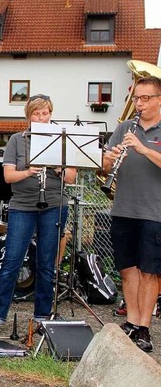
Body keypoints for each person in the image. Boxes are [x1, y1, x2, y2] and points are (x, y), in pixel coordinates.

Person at [0, 94, 76, 335]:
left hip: (54, 204)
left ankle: (42, 317)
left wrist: (57, 166)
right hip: (22, 205)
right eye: (37, 114)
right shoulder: (17, 140)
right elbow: (8, 176)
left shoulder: (62, 140)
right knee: (12, 260)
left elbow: (71, 178)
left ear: (51, 114)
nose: (42, 118)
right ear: (29, 116)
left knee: (45, 263)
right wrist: (29, 171)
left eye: (45, 113)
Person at [103, 76, 161, 352]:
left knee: (150, 272)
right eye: (136, 98)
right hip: (124, 208)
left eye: (145, 98)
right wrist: (110, 159)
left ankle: (145, 328)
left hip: (155, 211)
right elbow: (102, 165)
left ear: (159, 99)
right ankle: (133, 323)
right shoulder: (125, 127)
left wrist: (143, 148)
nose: (139, 103)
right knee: (127, 269)